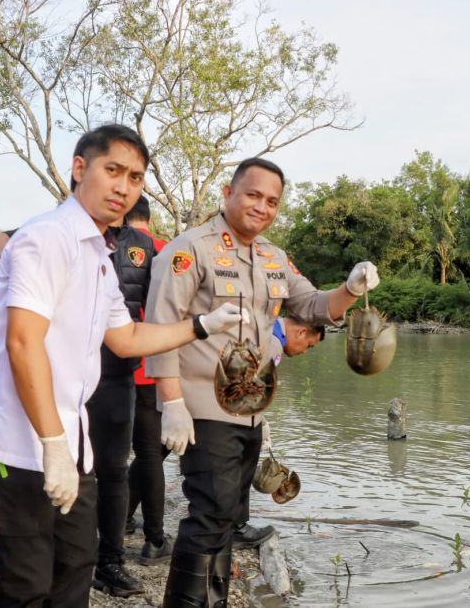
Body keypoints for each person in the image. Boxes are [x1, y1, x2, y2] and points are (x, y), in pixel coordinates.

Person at [0, 124, 249, 608]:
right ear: (80, 168)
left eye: (135, 177)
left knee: (77, 564)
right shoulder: (47, 237)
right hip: (14, 445)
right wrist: (52, 447)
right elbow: (23, 343)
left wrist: (201, 325)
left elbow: (127, 336)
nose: (123, 187)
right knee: (27, 582)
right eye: (113, 170)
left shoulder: (100, 252)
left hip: (72, 443)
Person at [145, 157, 380, 608]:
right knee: (209, 512)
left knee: (227, 515)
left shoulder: (273, 257)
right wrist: (171, 401)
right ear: (227, 193)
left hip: (251, 408)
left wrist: (350, 287)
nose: (262, 207)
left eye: (272, 201)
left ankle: (212, 601)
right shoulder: (188, 249)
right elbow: (161, 327)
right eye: (253, 195)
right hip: (202, 405)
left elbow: (311, 304)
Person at [86, 205, 157, 596]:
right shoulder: (65, 234)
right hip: (68, 375)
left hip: (118, 373)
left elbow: (164, 305)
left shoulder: (144, 247)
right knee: (69, 468)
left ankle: (109, 562)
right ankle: (65, 557)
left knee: (114, 469)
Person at [231, 315, 326, 550]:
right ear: (302, 332)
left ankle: (127, 514)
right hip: (238, 412)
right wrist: (258, 420)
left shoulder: (265, 325)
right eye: (309, 346)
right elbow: (252, 384)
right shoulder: (273, 342)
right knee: (244, 464)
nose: (305, 352)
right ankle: (237, 528)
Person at [124, 196, 175, 565]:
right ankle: (154, 540)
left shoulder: (110, 248)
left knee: (123, 456)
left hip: (114, 368)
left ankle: (122, 519)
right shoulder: (168, 251)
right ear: (151, 220)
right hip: (157, 371)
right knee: (153, 454)